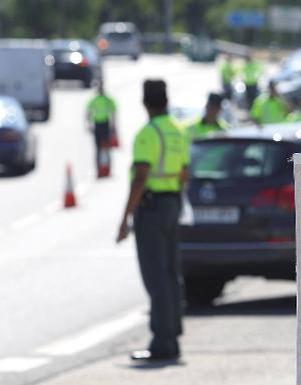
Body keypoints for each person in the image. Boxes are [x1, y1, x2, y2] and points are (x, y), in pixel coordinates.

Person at [116, 79, 189, 361]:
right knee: (171, 274)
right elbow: (184, 173)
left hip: (152, 208)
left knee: (155, 276)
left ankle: (161, 341)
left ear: (145, 103)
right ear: (166, 100)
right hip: (172, 204)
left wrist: (125, 218)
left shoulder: (147, 134)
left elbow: (140, 178)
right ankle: (172, 336)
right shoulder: (178, 131)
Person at [86, 82, 116, 170]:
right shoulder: (105, 100)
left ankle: (104, 168)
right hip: (101, 125)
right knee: (102, 148)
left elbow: (88, 113)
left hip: (102, 125)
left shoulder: (102, 100)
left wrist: (89, 124)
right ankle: (100, 168)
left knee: (102, 147)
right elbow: (113, 112)